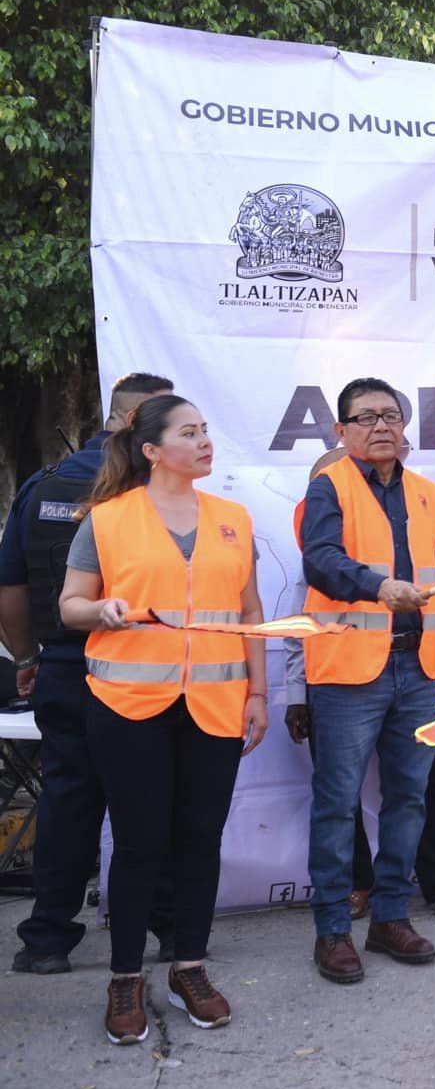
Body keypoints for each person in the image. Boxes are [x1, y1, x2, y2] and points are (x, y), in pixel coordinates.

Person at [57, 394, 268, 1042]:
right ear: (151, 450)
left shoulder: (233, 519)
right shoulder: (107, 520)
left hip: (215, 706)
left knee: (201, 840)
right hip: (129, 707)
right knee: (141, 844)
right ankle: (126, 978)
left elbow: (251, 615)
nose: (206, 441)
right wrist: (103, 610)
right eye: (190, 433)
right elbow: (69, 607)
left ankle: (189, 966)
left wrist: (258, 694)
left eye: (207, 430)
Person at [4, 372, 178, 976]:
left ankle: (48, 939)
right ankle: (171, 931)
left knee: (67, 801)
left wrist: (28, 659)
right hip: (142, 670)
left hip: (65, 667)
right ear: (141, 426)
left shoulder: (43, 485)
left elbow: (12, 589)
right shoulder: (157, 489)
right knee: (151, 800)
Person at [296, 380, 435, 984]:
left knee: (409, 799)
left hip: (419, 667)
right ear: (341, 432)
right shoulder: (327, 487)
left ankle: (391, 918)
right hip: (348, 671)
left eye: (390, 415)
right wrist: (375, 585)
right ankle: (333, 931)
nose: (381, 426)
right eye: (365, 418)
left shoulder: (427, 493)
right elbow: (320, 560)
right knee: (337, 805)